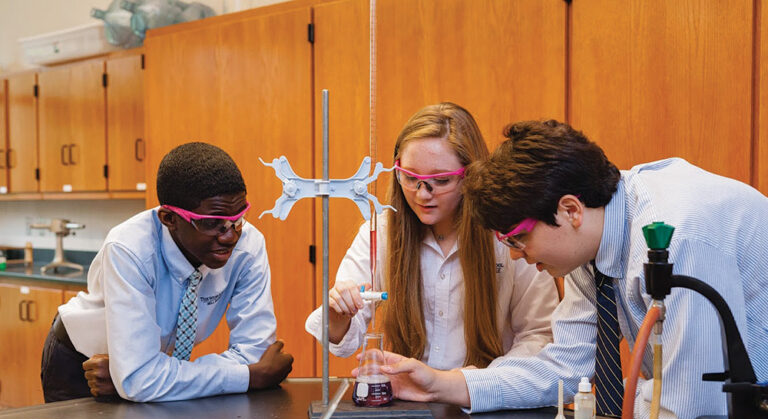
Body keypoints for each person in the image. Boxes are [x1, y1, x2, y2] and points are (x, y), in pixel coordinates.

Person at [375, 119, 768, 419]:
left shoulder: (677, 235)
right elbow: (565, 367)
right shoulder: (591, 245)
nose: (516, 254)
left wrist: (640, 394)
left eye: (519, 237)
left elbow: (691, 411)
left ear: (569, 210)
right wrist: (443, 385)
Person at [305, 103, 558, 372]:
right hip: (410, 401)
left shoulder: (506, 234)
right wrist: (338, 312)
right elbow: (342, 339)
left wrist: (475, 385)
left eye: (441, 181)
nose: (422, 194)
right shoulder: (381, 232)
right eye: (411, 177)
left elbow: (539, 336)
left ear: (471, 174)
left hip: (485, 404)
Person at [41, 142, 293, 402]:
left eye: (238, 218)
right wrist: (250, 377)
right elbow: (140, 380)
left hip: (139, 373)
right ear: (169, 219)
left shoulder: (249, 247)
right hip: (86, 366)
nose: (230, 236)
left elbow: (254, 354)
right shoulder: (129, 249)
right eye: (211, 223)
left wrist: (144, 376)